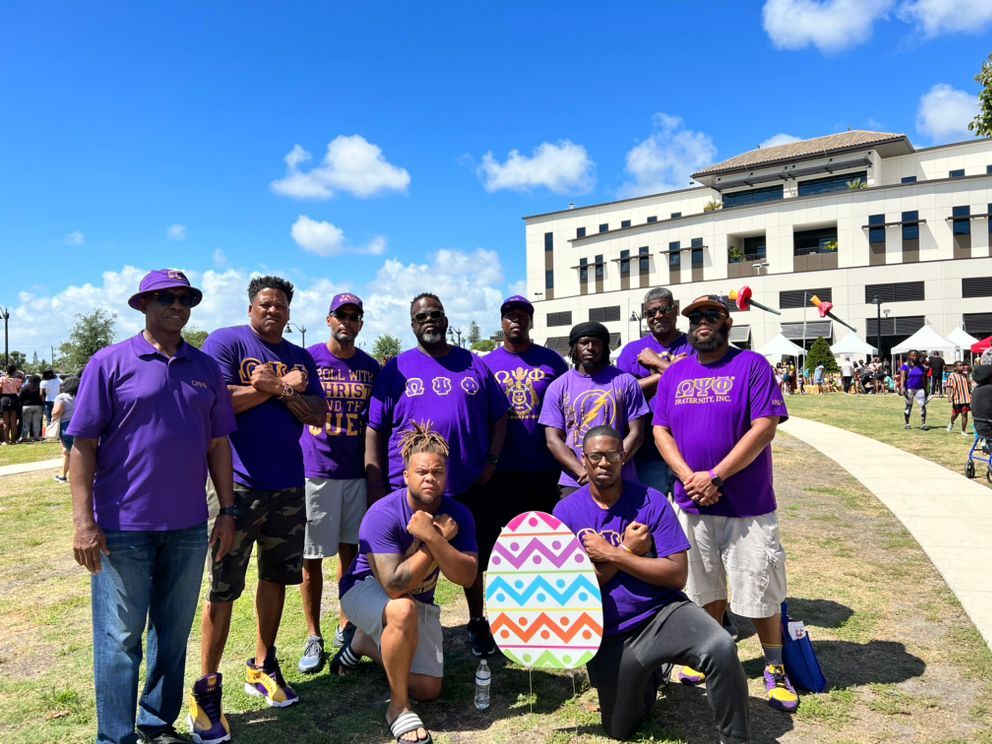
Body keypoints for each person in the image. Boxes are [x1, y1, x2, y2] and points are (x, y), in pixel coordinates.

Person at [66, 269, 237, 744]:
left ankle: (156, 724)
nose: (177, 305)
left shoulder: (205, 369)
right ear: (143, 304)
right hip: (123, 527)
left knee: (172, 634)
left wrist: (227, 511)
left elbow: (218, 444)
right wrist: (83, 523)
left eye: (185, 299)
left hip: (187, 526)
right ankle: (116, 737)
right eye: (165, 297)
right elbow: (83, 445)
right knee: (120, 641)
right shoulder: (109, 362)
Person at [191, 276, 326, 742]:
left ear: (289, 312)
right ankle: (207, 688)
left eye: (280, 305)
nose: (273, 311)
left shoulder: (301, 356)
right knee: (223, 586)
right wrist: (281, 388)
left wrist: (276, 388)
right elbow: (218, 402)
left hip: (288, 485)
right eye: (265, 304)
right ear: (251, 308)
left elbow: (317, 413)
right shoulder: (226, 342)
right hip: (236, 488)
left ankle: (263, 665)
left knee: (277, 578)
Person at [554, 425, 749, 742]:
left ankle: (736, 739)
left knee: (720, 647)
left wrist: (613, 554)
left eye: (612, 455)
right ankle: (649, 675)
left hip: (661, 614)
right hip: (610, 631)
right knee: (620, 729)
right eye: (595, 456)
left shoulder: (651, 501)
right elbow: (572, 592)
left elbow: (676, 575)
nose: (604, 463)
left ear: (623, 457)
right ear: (583, 459)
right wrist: (627, 549)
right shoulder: (565, 513)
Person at [653, 294, 798, 713]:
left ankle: (775, 667)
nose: (702, 322)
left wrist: (715, 476)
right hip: (692, 503)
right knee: (703, 587)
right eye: (695, 317)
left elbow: (765, 427)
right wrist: (690, 477)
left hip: (746, 505)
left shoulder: (752, 365)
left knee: (761, 586)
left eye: (711, 315)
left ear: (727, 322)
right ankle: (710, 653)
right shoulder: (675, 374)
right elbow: (661, 430)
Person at [366, 292, 508, 658]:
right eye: (421, 316)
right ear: (412, 325)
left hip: (467, 482)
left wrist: (491, 461)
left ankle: (477, 620)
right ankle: (394, 627)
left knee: (471, 556)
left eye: (435, 314)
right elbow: (375, 428)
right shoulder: (396, 369)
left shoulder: (473, 364)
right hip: (410, 488)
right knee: (404, 561)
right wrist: (377, 484)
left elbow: (499, 415)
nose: (429, 320)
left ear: (445, 319)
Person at [334, 423, 478, 744]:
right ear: (406, 475)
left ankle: (362, 643)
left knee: (428, 689)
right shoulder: (382, 514)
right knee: (402, 609)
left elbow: (467, 576)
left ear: (446, 476)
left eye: (437, 472)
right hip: (363, 588)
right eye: (422, 472)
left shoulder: (457, 514)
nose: (430, 478)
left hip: (416, 598)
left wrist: (434, 538)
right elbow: (394, 585)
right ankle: (398, 708)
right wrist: (433, 540)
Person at [297, 293, 381, 674]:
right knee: (311, 556)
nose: (347, 321)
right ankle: (313, 634)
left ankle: (346, 624)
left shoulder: (370, 366)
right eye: (340, 315)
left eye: (354, 316)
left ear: (361, 323)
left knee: (351, 553)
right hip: (317, 471)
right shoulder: (308, 358)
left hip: (356, 471)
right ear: (328, 319)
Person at [540, 321, 650, 501]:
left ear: (604, 347)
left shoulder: (626, 382)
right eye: (584, 342)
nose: (590, 347)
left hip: (621, 478)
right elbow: (553, 440)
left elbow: (636, 434)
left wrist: (613, 466)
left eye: (596, 343)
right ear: (574, 347)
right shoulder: (557, 387)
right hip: (575, 480)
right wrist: (584, 472)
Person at [482, 294, 567, 525]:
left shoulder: (552, 360)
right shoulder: (486, 364)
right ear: (502, 322)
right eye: (511, 316)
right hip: (500, 468)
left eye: (523, 316)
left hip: (544, 466)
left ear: (530, 322)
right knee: (501, 534)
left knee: (545, 532)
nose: (517, 320)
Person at [616, 287, 692, 497]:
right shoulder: (632, 351)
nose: (657, 316)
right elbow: (624, 393)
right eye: (651, 312)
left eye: (663, 310)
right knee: (649, 511)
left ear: (675, 310)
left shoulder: (693, 345)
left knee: (690, 513)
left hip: (688, 450)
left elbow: (696, 383)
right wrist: (670, 371)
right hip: (647, 452)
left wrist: (656, 363)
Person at [52, 375, 78, 483]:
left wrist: (53, 416)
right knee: (69, 451)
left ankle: (74, 475)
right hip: (80, 424)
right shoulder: (81, 396)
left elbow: (57, 412)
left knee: (70, 451)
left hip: (66, 425)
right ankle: (63, 475)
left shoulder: (61, 397)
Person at [900, 350, 929, 430]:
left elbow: (923, 378)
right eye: (913, 355)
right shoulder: (905, 365)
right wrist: (902, 387)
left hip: (920, 388)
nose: (915, 357)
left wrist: (925, 389)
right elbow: (902, 377)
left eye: (916, 355)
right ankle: (907, 423)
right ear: (909, 356)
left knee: (922, 405)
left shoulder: (921, 366)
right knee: (909, 405)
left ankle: (923, 423)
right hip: (909, 388)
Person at [947, 361, 973, 435]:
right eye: (960, 365)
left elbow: (969, 385)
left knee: (964, 414)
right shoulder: (951, 376)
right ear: (955, 367)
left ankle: (963, 431)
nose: (962, 367)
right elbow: (949, 387)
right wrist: (949, 396)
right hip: (957, 398)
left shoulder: (965, 375)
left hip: (966, 398)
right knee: (955, 414)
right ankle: (951, 422)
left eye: (963, 365)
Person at [18, 374, 44, 441]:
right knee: (36, 423)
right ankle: (36, 436)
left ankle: (24, 436)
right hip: (38, 406)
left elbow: (20, 398)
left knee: (26, 423)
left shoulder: (25, 388)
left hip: (26, 407)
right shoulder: (40, 388)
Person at [0, 365, 21, 445]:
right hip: (14, 398)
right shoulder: (18, 380)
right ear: (14, 371)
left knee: (5, 422)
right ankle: (13, 440)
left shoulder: (2, 379)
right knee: (13, 422)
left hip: (4, 398)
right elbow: (18, 390)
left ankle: (6, 441)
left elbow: (0, 389)